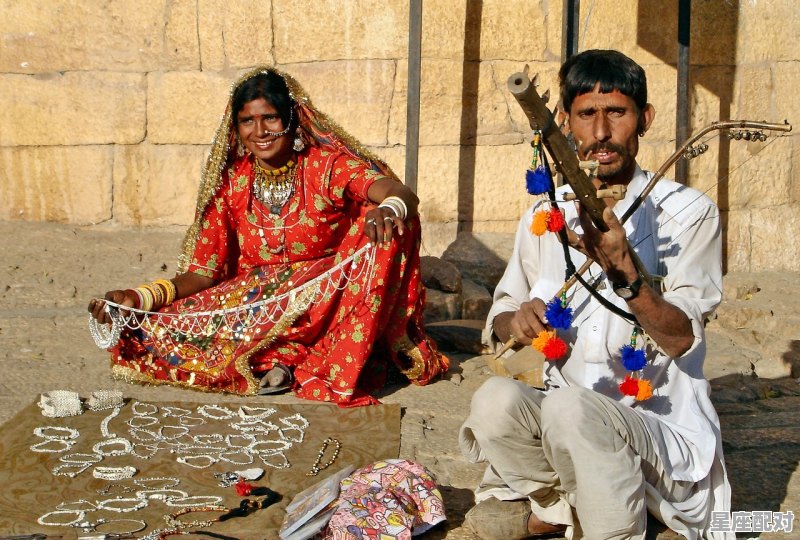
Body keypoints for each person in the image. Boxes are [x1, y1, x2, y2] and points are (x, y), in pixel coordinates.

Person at [459, 50, 732, 539]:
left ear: (644, 119)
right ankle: (573, 504)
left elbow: (679, 340)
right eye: (587, 115)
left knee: (570, 408)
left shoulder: (689, 214)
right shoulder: (547, 216)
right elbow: (502, 310)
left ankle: (601, 522)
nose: (601, 133)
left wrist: (624, 270)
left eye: (617, 113)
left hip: (656, 433)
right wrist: (514, 320)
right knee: (494, 400)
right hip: (568, 428)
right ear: (566, 122)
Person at [88, 67, 448, 406]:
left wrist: (390, 208)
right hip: (257, 300)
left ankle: (318, 359)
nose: (259, 132)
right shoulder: (232, 183)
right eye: (247, 121)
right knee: (153, 331)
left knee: (389, 225)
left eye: (270, 118)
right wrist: (141, 296)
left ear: (291, 119)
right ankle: (287, 357)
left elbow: (398, 191)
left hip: (329, 294)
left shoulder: (325, 166)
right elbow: (203, 273)